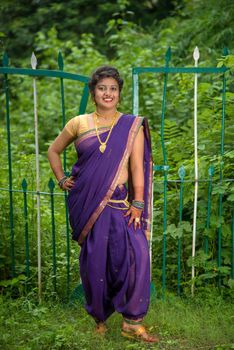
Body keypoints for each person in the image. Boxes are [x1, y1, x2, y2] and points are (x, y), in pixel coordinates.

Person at [48, 66, 159, 343]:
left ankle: (132, 322)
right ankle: (99, 318)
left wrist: (137, 202)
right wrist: (61, 179)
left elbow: (136, 167)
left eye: (113, 88)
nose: (107, 93)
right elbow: (53, 150)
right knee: (95, 263)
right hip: (90, 204)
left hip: (122, 204)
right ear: (93, 93)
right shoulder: (79, 123)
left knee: (137, 257)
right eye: (102, 88)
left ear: (119, 94)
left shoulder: (130, 126)